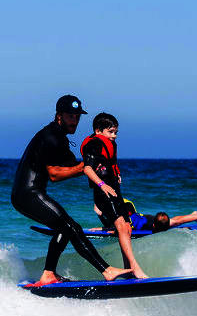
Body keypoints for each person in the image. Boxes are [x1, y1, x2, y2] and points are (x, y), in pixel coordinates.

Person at [11, 95, 133, 286]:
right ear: (59, 116)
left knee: (66, 228)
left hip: (32, 193)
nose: (75, 121)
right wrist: (84, 168)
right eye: (70, 116)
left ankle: (48, 274)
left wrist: (97, 170)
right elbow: (55, 174)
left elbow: (75, 165)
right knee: (72, 227)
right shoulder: (51, 137)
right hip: (27, 194)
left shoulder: (61, 138)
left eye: (77, 116)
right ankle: (107, 270)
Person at [81, 112, 148, 278]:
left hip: (115, 190)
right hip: (103, 191)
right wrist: (102, 185)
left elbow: (111, 163)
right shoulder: (94, 144)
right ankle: (135, 268)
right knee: (120, 227)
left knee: (127, 228)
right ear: (98, 131)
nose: (114, 135)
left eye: (116, 132)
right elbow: (87, 169)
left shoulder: (112, 144)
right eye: (110, 132)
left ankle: (127, 269)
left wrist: (116, 174)